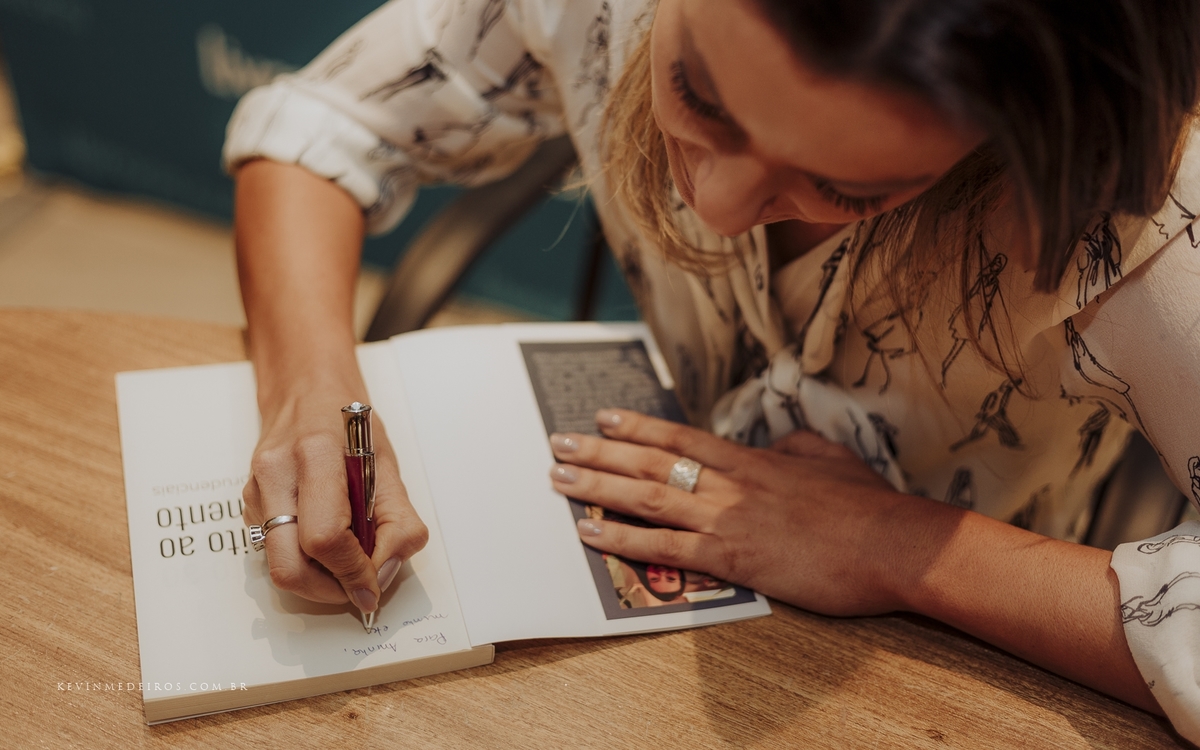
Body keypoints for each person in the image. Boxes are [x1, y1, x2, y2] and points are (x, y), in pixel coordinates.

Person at [224, 0, 1200, 739]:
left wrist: (900, 548)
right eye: (699, 94)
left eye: (849, 188)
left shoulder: (1144, 204)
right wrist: (310, 388)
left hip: (968, 675)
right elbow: (327, 123)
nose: (723, 207)